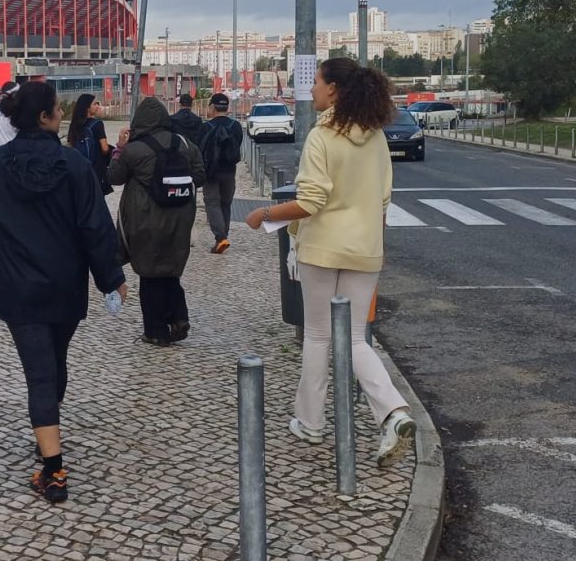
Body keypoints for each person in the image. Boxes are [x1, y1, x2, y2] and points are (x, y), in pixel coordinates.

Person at [0, 81, 127, 504]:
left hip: (17, 284)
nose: (62, 114)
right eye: (57, 109)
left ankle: (52, 466)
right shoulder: (75, 166)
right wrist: (111, 278)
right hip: (66, 282)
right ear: (44, 117)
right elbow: (95, 227)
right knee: (52, 362)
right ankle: (51, 455)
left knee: (40, 370)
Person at [246, 57, 416, 468]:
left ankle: (310, 421)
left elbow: (310, 201)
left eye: (317, 82)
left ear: (333, 89)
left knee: (319, 336)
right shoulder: (376, 136)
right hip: (366, 248)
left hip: (323, 248)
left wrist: (263, 214)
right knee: (355, 339)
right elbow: (383, 200)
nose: (312, 89)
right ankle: (393, 412)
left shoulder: (322, 136)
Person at [109, 96, 205, 346]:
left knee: (149, 274)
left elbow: (114, 177)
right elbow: (200, 175)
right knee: (171, 270)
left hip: (145, 218)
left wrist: (119, 148)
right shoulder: (184, 144)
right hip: (180, 217)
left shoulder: (134, 150)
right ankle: (179, 317)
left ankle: (156, 332)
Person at [198, 92, 244, 254]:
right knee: (225, 203)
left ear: (212, 107)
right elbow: (238, 144)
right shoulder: (236, 126)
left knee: (212, 203)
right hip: (230, 171)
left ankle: (221, 237)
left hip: (211, 172)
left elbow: (200, 148)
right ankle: (224, 235)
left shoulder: (206, 127)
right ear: (227, 107)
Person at [66, 93, 113, 195]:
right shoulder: (97, 124)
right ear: (87, 107)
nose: (97, 106)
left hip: (79, 168)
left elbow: (70, 146)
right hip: (96, 169)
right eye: (95, 104)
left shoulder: (74, 125)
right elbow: (105, 148)